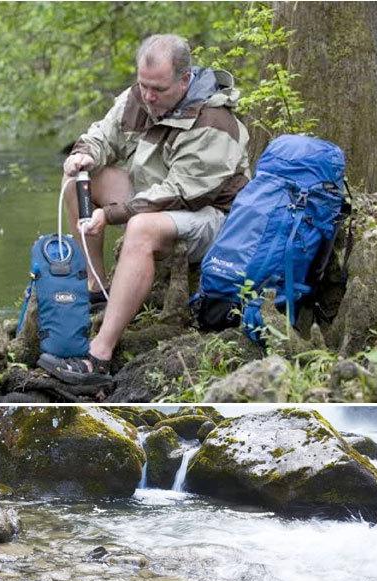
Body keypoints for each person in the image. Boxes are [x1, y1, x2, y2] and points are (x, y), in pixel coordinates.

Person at [38, 34, 250, 385]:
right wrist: (84, 152)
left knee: (141, 228)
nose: (148, 96)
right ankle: (97, 285)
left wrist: (115, 213)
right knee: (80, 179)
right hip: (154, 197)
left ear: (185, 80)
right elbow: (104, 135)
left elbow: (179, 193)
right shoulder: (141, 96)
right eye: (143, 85)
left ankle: (99, 356)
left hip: (213, 217)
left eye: (159, 89)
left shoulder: (214, 120)